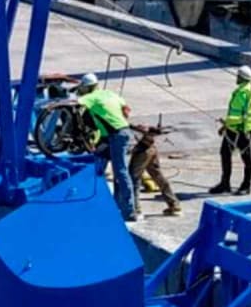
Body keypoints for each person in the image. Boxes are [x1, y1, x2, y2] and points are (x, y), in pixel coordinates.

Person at [76, 73, 136, 221]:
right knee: (98, 164)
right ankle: (100, 203)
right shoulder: (109, 93)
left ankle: (129, 211)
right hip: (116, 134)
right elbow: (127, 110)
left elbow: (75, 103)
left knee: (120, 171)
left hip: (116, 136)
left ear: (87, 88)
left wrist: (52, 104)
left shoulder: (92, 97)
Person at [209, 66, 251, 196]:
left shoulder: (245, 93)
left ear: (241, 77)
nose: (236, 78)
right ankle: (225, 183)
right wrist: (225, 127)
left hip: (242, 131)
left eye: (238, 76)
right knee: (224, 153)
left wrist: (226, 122)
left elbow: (243, 116)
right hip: (232, 129)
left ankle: (246, 185)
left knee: (246, 158)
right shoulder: (245, 90)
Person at [129, 124, 182, 217]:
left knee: (134, 178)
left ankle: (135, 209)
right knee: (157, 175)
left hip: (143, 150)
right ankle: (174, 204)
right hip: (148, 147)